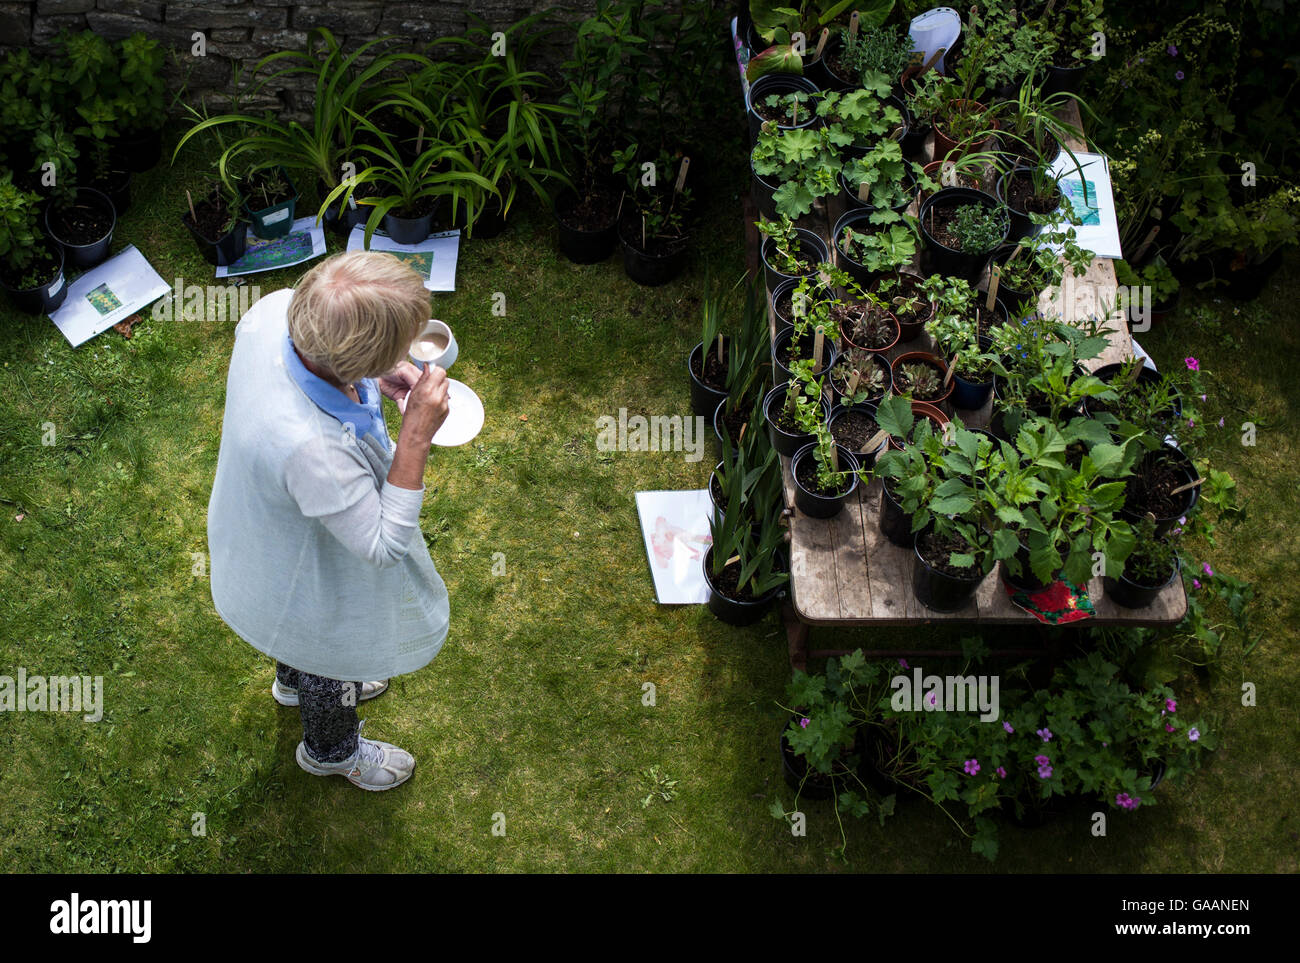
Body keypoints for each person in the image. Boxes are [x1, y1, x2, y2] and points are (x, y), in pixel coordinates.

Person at [207, 251, 451, 791]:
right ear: (351, 357)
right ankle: (331, 750)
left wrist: (377, 369)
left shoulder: (276, 313)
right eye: (393, 349)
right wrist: (415, 435)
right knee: (330, 654)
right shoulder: (310, 449)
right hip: (296, 576)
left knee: (304, 656)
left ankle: (291, 682)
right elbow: (385, 544)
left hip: (266, 531)